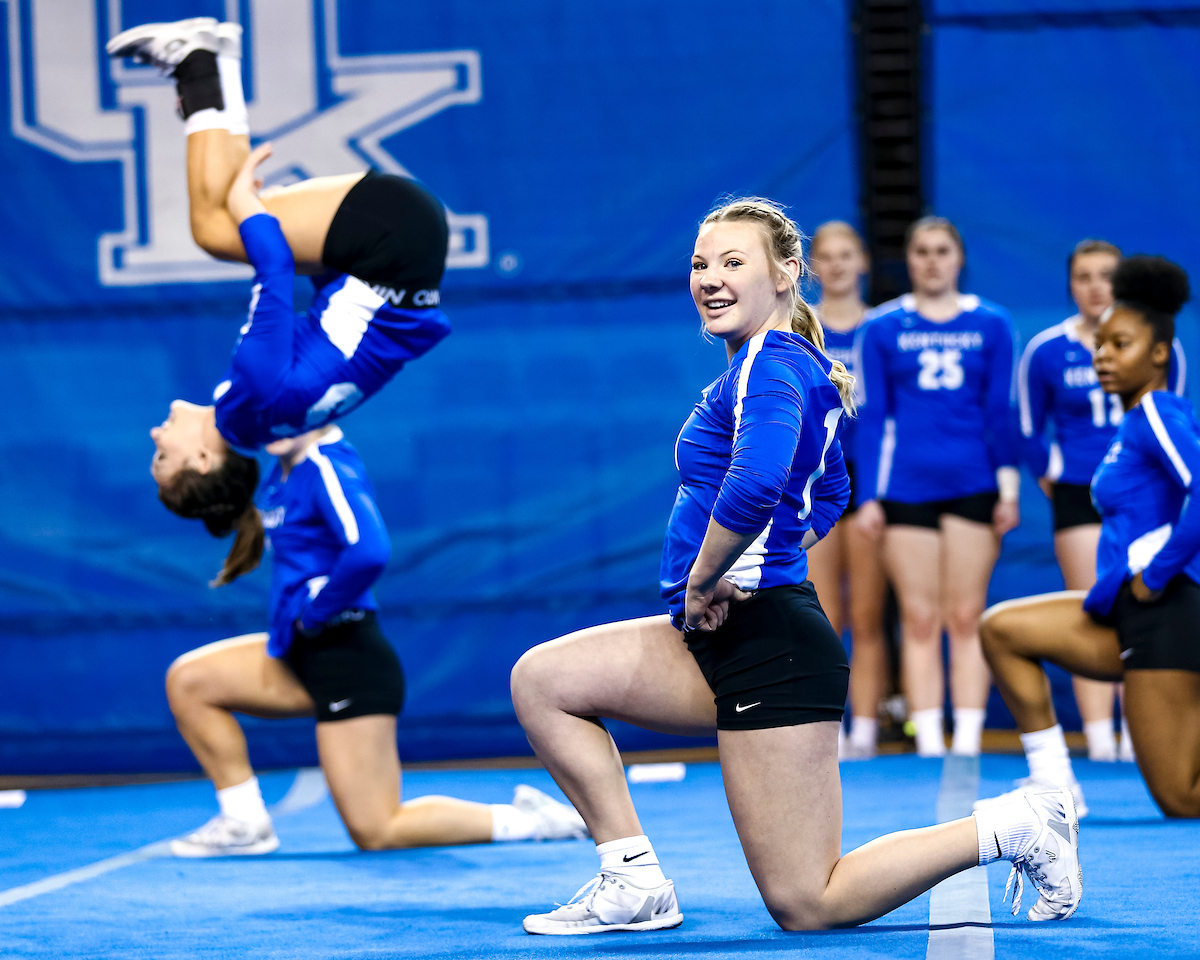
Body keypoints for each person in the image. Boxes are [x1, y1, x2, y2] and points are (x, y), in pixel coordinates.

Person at [510, 199, 1081, 935]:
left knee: (809, 900)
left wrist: (707, 577)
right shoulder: (780, 364)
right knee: (545, 681)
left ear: (787, 273)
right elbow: (833, 488)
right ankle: (632, 878)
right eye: (699, 264)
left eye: (732, 262)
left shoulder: (771, 365)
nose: (710, 279)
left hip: (769, 647)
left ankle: (1012, 826)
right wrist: (757, 562)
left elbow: (755, 484)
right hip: (725, 634)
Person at [162, 424, 588, 856]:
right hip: (298, 653)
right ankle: (244, 822)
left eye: (285, 406)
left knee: (378, 829)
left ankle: (533, 820)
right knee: (191, 681)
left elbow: (369, 551)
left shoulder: (325, 463)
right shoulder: (282, 470)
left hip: (346, 658)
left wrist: (317, 611)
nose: (273, 419)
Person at [108, 18, 451, 548]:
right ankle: (199, 64)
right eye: (161, 454)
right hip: (393, 242)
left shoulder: (266, 429)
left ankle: (210, 69)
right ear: (201, 459)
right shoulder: (252, 398)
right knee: (220, 225)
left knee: (225, 215)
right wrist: (250, 205)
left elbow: (344, 345)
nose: (156, 434)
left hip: (395, 267)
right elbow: (274, 271)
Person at [976, 255, 1200, 819]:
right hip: (1128, 613)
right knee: (1003, 630)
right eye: (1100, 344)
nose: (1103, 355)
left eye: (1119, 344)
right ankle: (1055, 788)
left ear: (1157, 355)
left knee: (1181, 796)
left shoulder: (1157, 416)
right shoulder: (1134, 421)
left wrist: (1158, 572)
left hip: (1166, 617)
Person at [855, 217, 1020, 758]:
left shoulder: (992, 323)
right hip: (906, 486)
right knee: (920, 617)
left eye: (942, 250)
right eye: (921, 251)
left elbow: (1001, 412)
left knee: (967, 614)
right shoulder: (881, 327)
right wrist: (870, 498)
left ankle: (968, 738)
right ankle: (928, 741)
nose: (931, 260)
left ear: (959, 258)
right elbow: (874, 417)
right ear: (909, 259)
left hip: (973, 481)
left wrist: (1009, 488)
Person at [1018, 239, 1186, 763]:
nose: (1096, 287)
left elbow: (1169, 419)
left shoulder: (1160, 371)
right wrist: (1053, 474)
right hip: (1083, 490)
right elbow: (1026, 426)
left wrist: (1161, 563)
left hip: (1148, 507)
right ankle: (1096, 738)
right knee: (1090, 604)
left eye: (1105, 276)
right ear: (1071, 285)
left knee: (1143, 603)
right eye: (1084, 276)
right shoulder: (1047, 348)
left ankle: (1142, 732)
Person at [805, 222, 889, 759]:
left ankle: (867, 728)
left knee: (867, 614)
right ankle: (827, 727)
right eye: (825, 257)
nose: (836, 266)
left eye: (846, 255)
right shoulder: (798, 326)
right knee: (823, 613)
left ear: (862, 263)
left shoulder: (884, 328)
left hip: (867, 479)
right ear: (810, 266)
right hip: (815, 478)